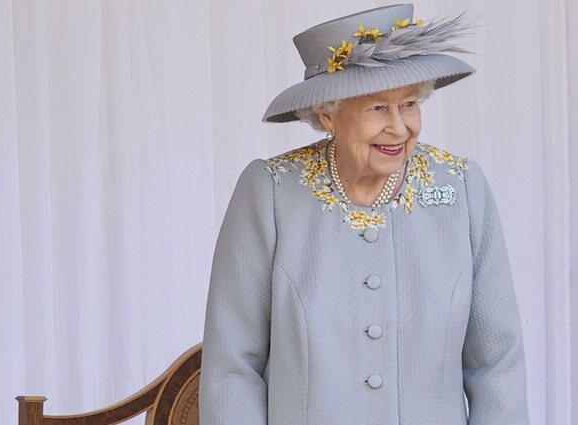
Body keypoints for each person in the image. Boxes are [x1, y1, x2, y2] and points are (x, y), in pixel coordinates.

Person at [199, 4, 529, 424]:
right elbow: (232, 367)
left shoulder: (462, 187)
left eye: (409, 104)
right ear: (327, 115)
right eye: (377, 108)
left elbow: (498, 360)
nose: (399, 127)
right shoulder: (272, 192)